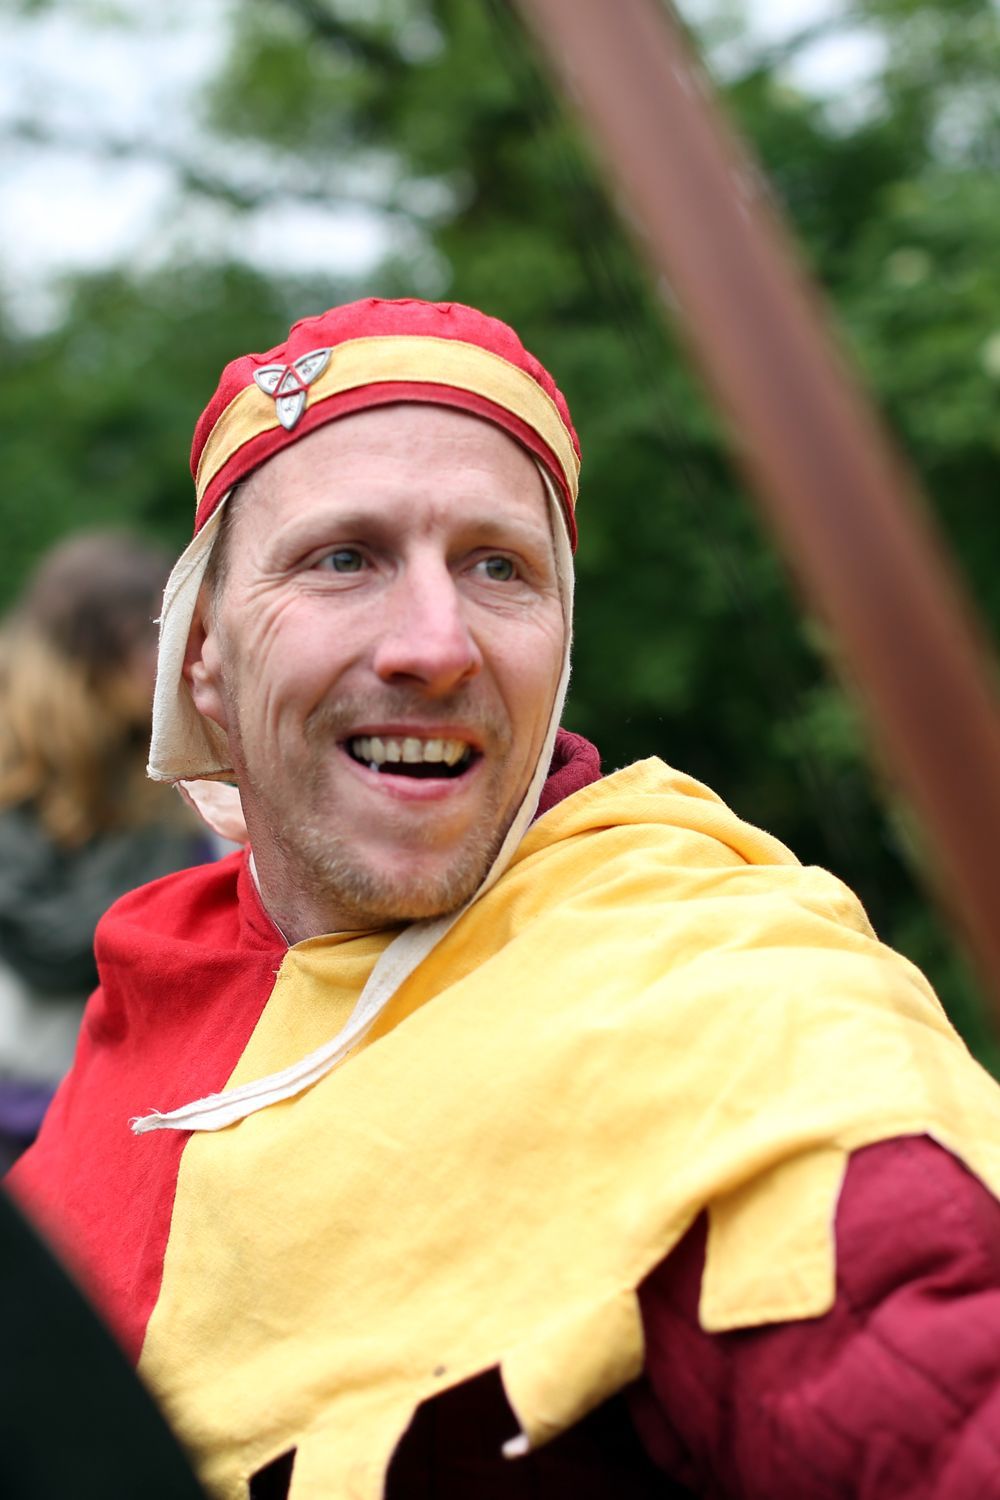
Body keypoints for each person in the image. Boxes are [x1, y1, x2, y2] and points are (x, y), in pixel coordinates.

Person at [9, 298, 1000, 1500]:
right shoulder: (157, 974)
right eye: (343, 558)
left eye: (498, 567)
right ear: (204, 653)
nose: (435, 645)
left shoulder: (710, 981)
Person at [0, 532, 209, 1170]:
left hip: (111, 1120)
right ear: (99, 651)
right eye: (156, 637)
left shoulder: (174, 780)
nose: (181, 660)